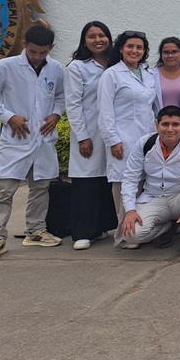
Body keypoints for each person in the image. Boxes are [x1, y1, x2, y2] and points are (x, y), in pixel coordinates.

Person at [0, 25, 66, 262]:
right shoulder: (6, 67)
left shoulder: (56, 68)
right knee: (5, 190)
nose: (37, 57)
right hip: (15, 139)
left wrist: (56, 115)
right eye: (33, 51)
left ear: (51, 48)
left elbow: (60, 96)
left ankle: (35, 231)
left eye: (43, 52)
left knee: (40, 187)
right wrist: (9, 117)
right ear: (25, 44)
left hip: (43, 139)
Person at [118, 105, 180, 258]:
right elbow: (130, 176)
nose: (170, 129)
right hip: (153, 197)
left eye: (175, 124)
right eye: (165, 124)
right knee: (131, 235)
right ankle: (169, 226)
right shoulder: (145, 143)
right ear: (157, 125)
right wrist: (130, 210)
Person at [98, 30, 157, 246]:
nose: (134, 51)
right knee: (124, 186)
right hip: (122, 140)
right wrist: (112, 140)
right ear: (121, 49)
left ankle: (140, 228)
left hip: (146, 138)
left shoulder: (149, 75)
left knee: (143, 185)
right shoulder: (111, 75)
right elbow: (104, 112)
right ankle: (124, 237)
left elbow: (153, 108)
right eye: (130, 46)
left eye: (139, 48)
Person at [64, 21, 117, 251]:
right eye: (92, 36)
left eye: (102, 35)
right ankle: (83, 232)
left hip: (112, 131)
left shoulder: (116, 64)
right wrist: (82, 136)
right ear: (84, 41)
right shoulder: (77, 67)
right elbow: (73, 104)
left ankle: (101, 227)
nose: (98, 40)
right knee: (87, 181)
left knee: (107, 180)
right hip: (89, 132)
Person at [150, 36, 180, 114]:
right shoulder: (150, 75)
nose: (170, 56)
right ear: (161, 55)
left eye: (174, 52)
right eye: (166, 52)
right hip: (158, 123)